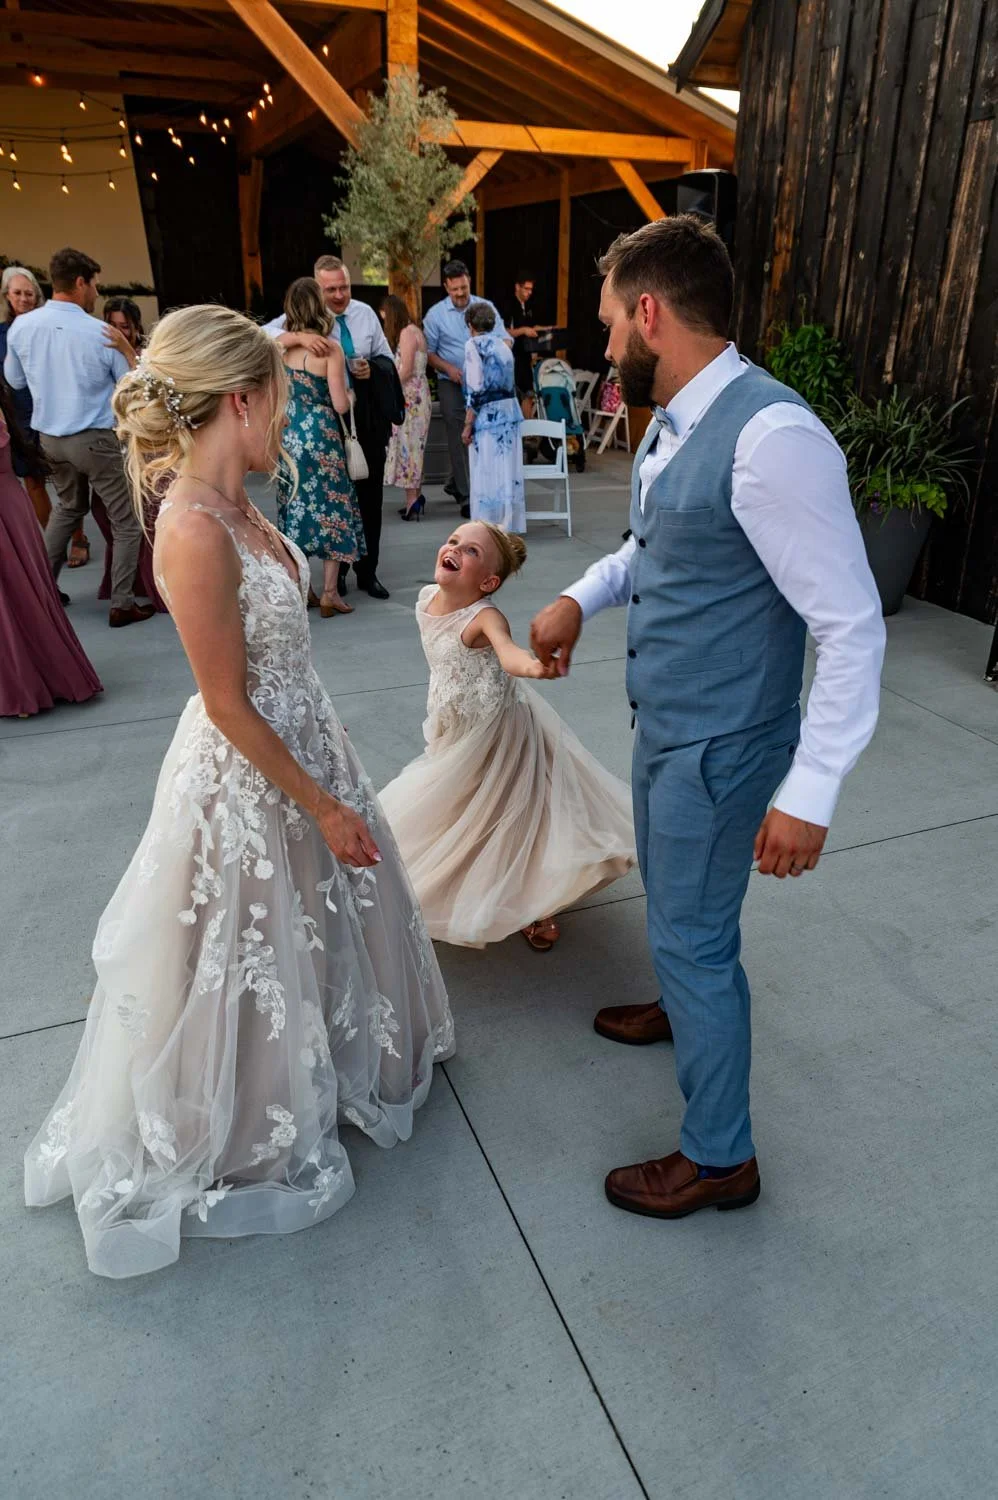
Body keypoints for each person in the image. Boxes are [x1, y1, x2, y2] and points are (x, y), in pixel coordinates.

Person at [23, 304, 454, 1279]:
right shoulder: (188, 527)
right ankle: (249, 1115)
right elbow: (223, 703)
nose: (287, 421)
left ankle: (345, 1063)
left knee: (324, 923)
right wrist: (324, 804)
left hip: (308, 734)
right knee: (252, 942)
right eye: (279, 400)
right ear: (238, 401)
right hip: (253, 766)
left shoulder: (240, 505)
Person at [530, 216, 885, 1221]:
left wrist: (808, 792)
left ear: (648, 315)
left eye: (607, 328)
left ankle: (720, 1157)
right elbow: (661, 548)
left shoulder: (772, 439)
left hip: (723, 749)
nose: (603, 353)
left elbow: (850, 627)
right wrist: (580, 596)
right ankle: (683, 1004)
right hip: (669, 728)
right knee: (681, 914)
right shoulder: (681, 420)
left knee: (692, 935)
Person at [379, 523, 635, 952]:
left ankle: (534, 904)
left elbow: (508, 652)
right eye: (454, 541)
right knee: (462, 809)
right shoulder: (428, 599)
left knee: (515, 812)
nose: (455, 548)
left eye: (472, 550)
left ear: (488, 582)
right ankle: (474, 879)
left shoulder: (484, 617)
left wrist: (536, 666)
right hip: (455, 728)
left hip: (498, 732)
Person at [3, 247, 152, 628]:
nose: (96, 293)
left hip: (49, 437)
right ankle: (121, 602)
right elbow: (129, 387)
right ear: (81, 282)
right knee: (125, 520)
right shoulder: (98, 332)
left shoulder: (22, 326)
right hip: (96, 438)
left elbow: (16, 381)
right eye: (95, 285)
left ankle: (42, 591)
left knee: (67, 508)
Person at [268, 255, 397, 601]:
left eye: (344, 287)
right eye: (331, 289)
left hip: (361, 422)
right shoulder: (293, 325)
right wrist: (297, 338)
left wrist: (373, 366)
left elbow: (389, 358)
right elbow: (261, 339)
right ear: (317, 289)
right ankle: (334, 581)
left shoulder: (365, 313)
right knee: (334, 503)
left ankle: (367, 573)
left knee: (367, 497)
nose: (339, 295)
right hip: (329, 424)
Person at [0, 383, 102, 718]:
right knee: (18, 596)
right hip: (11, 509)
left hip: (7, 513)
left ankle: (23, 686)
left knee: (16, 596)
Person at [276, 277, 364, 618]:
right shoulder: (331, 350)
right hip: (323, 437)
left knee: (295, 509)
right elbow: (341, 405)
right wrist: (353, 396)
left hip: (290, 435)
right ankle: (330, 592)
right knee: (333, 511)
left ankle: (305, 588)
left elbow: (264, 341)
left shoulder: (281, 349)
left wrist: (294, 337)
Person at [92, 295, 165, 611]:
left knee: (149, 511)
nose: (118, 332)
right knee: (104, 510)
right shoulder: (93, 350)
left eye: (125, 327)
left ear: (135, 329)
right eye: (112, 325)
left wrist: (125, 349)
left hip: (145, 445)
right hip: (107, 442)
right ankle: (125, 579)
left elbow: (147, 390)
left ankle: (153, 582)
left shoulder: (145, 356)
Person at [423, 261, 508, 515]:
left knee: (480, 434)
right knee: (459, 428)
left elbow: (506, 339)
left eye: (463, 287)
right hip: (451, 380)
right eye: (454, 289)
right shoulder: (435, 315)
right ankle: (466, 496)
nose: (460, 294)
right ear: (446, 287)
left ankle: (456, 481)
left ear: (469, 280)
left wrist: (490, 362)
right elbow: (428, 352)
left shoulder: (485, 307)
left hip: (484, 383)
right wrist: (449, 368)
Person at [462, 302, 525, 533]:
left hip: (488, 417)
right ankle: (508, 524)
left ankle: (486, 526)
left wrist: (467, 424)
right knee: (507, 472)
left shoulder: (473, 345)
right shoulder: (504, 344)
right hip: (510, 414)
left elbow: (476, 388)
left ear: (470, 325)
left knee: (486, 471)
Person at [0, 264, 54, 531]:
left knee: (69, 482)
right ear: (7, 296)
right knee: (34, 480)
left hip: (54, 412)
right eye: (17, 293)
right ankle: (47, 541)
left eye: (29, 294)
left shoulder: (48, 327)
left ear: (37, 296)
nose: (23, 299)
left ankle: (78, 537)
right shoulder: (1, 335)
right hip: (20, 418)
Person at [381, 294, 431, 521]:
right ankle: (414, 498)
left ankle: (412, 502)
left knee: (409, 448)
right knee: (412, 447)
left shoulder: (406, 333)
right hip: (416, 396)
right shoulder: (415, 330)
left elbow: (407, 368)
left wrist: (388, 386)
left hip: (411, 398)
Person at [503, 272, 552, 417]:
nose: (529, 293)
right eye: (526, 289)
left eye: (531, 289)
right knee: (516, 394)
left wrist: (545, 329)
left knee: (529, 395)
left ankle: (528, 431)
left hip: (525, 356)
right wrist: (524, 330)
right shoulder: (509, 305)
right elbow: (505, 331)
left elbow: (531, 327)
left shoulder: (528, 306)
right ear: (517, 287)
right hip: (511, 356)